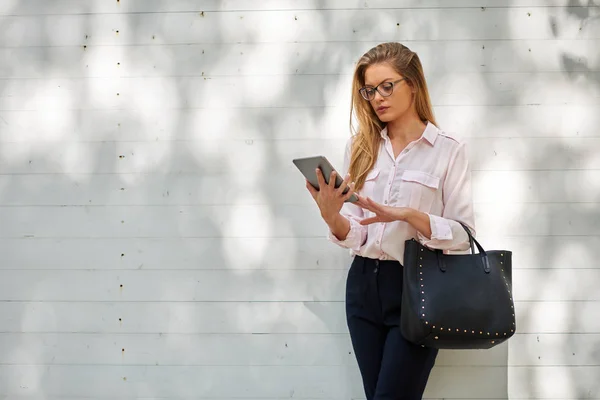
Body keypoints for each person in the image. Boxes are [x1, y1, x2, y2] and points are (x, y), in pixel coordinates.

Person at [305, 42, 476, 399]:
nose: (377, 98)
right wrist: (331, 215)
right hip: (363, 286)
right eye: (369, 90)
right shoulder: (361, 147)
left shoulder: (447, 149)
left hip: (417, 288)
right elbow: (355, 233)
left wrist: (407, 215)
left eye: (387, 86)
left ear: (412, 83)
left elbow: (464, 235)